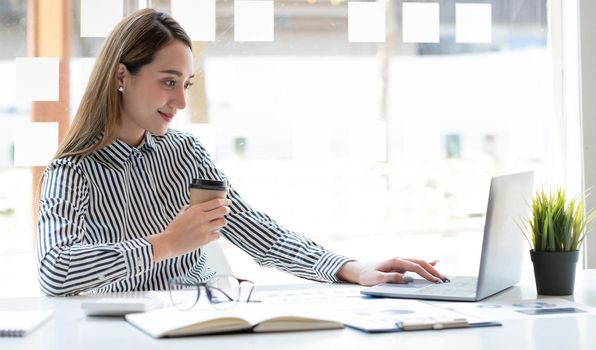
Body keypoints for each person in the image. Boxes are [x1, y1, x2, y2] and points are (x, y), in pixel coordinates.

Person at [36, 8, 446, 296]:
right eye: (167, 81)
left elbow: (257, 233)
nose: (180, 101)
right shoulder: (72, 171)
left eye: (187, 84)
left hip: (198, 319)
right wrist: (165, 243)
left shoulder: (184, 153)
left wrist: (349, 268)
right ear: (122, 75)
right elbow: (56, 270)